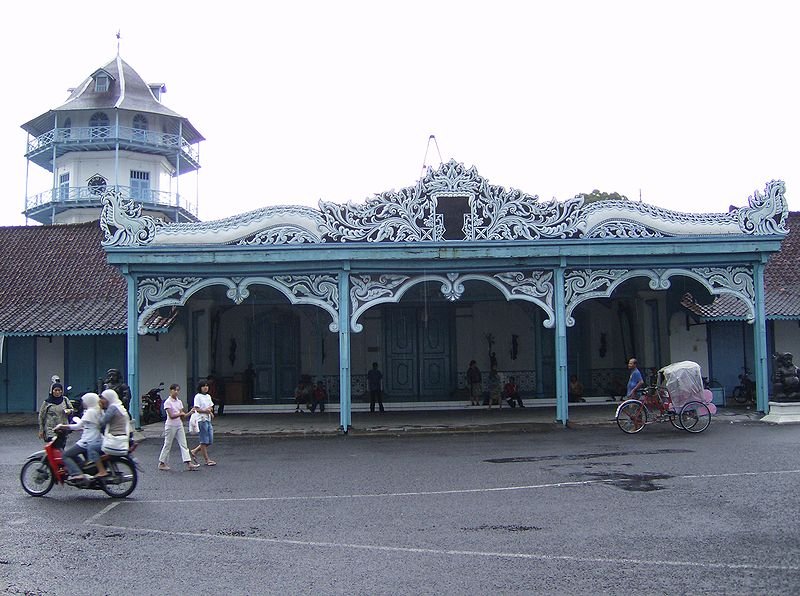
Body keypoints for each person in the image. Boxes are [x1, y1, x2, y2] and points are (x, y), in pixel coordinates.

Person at [54, 392, 105, 482]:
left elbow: (78, 426)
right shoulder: (99, 410)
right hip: (97, 439)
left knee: (66, 455)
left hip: (87, 441)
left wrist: (62, 426)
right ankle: (83, 470)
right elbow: (88, 426)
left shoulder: (90, 412)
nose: (83, 403)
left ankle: (77, 474)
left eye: (84, 401)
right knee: (74, 454)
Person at [158, 384, 199, 472]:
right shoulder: (168, 402)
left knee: (183, 444)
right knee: (167, 444)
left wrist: (190, 413)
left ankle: (189, 463)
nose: (176, 392)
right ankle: (162, 463)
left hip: (179, 425)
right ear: (171, 391)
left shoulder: (179, 402)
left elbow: (183, 416)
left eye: (177, 390)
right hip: (170, 425)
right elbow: (171, 416)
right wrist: (180, 414)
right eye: (174, 390)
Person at [98, 389, 131, 464]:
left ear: (108, 398)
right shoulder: (119, 406)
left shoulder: (113, 408)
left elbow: (102, 422)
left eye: (103, 398)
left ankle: (101, 470)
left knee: (92, 448)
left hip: (114, 438)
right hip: (123, 436)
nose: (101, 400)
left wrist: (100, 409)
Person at [190, 381, 216, 466]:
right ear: (200, 388)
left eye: (207, 386)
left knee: (210, 440)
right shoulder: (198, 397)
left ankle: (194, 451)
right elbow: (196, 408)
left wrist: (210, 410)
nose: (205, 388)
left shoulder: (208, 396)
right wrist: (205, 411)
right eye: (203, 386)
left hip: (208, 420)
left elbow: (211, 406)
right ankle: (207, 459)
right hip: (201, 420)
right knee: (204, 440)